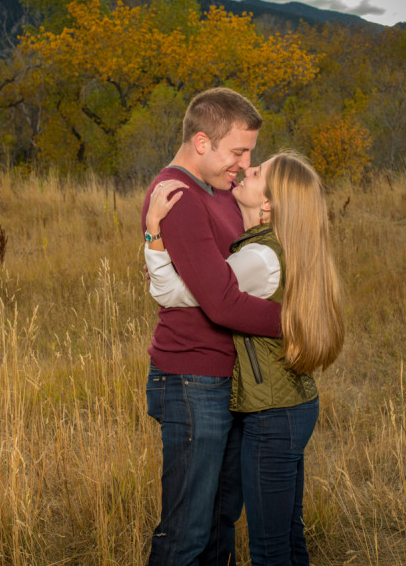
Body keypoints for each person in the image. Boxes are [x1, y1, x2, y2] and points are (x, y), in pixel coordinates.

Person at [145, 151, 345, 566]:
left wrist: (154, 239)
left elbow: (179, 295)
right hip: (292, 405)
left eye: (254, 173)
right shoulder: (277, 246)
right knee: (289, 534)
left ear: (269, 204)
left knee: (270, 548)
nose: (244, 171)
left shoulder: (258, 258)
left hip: (272, 414)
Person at [140, 88, 283, 566]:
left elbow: (240, 271)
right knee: (187, 533)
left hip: (227, 378)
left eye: (250, 154)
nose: (244, 164)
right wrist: (297, 325)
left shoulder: (220, 190)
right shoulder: (177, 196)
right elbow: (220, 303)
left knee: (220, 527)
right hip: (192, 380)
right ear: (202, 141)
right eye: (238, 151)